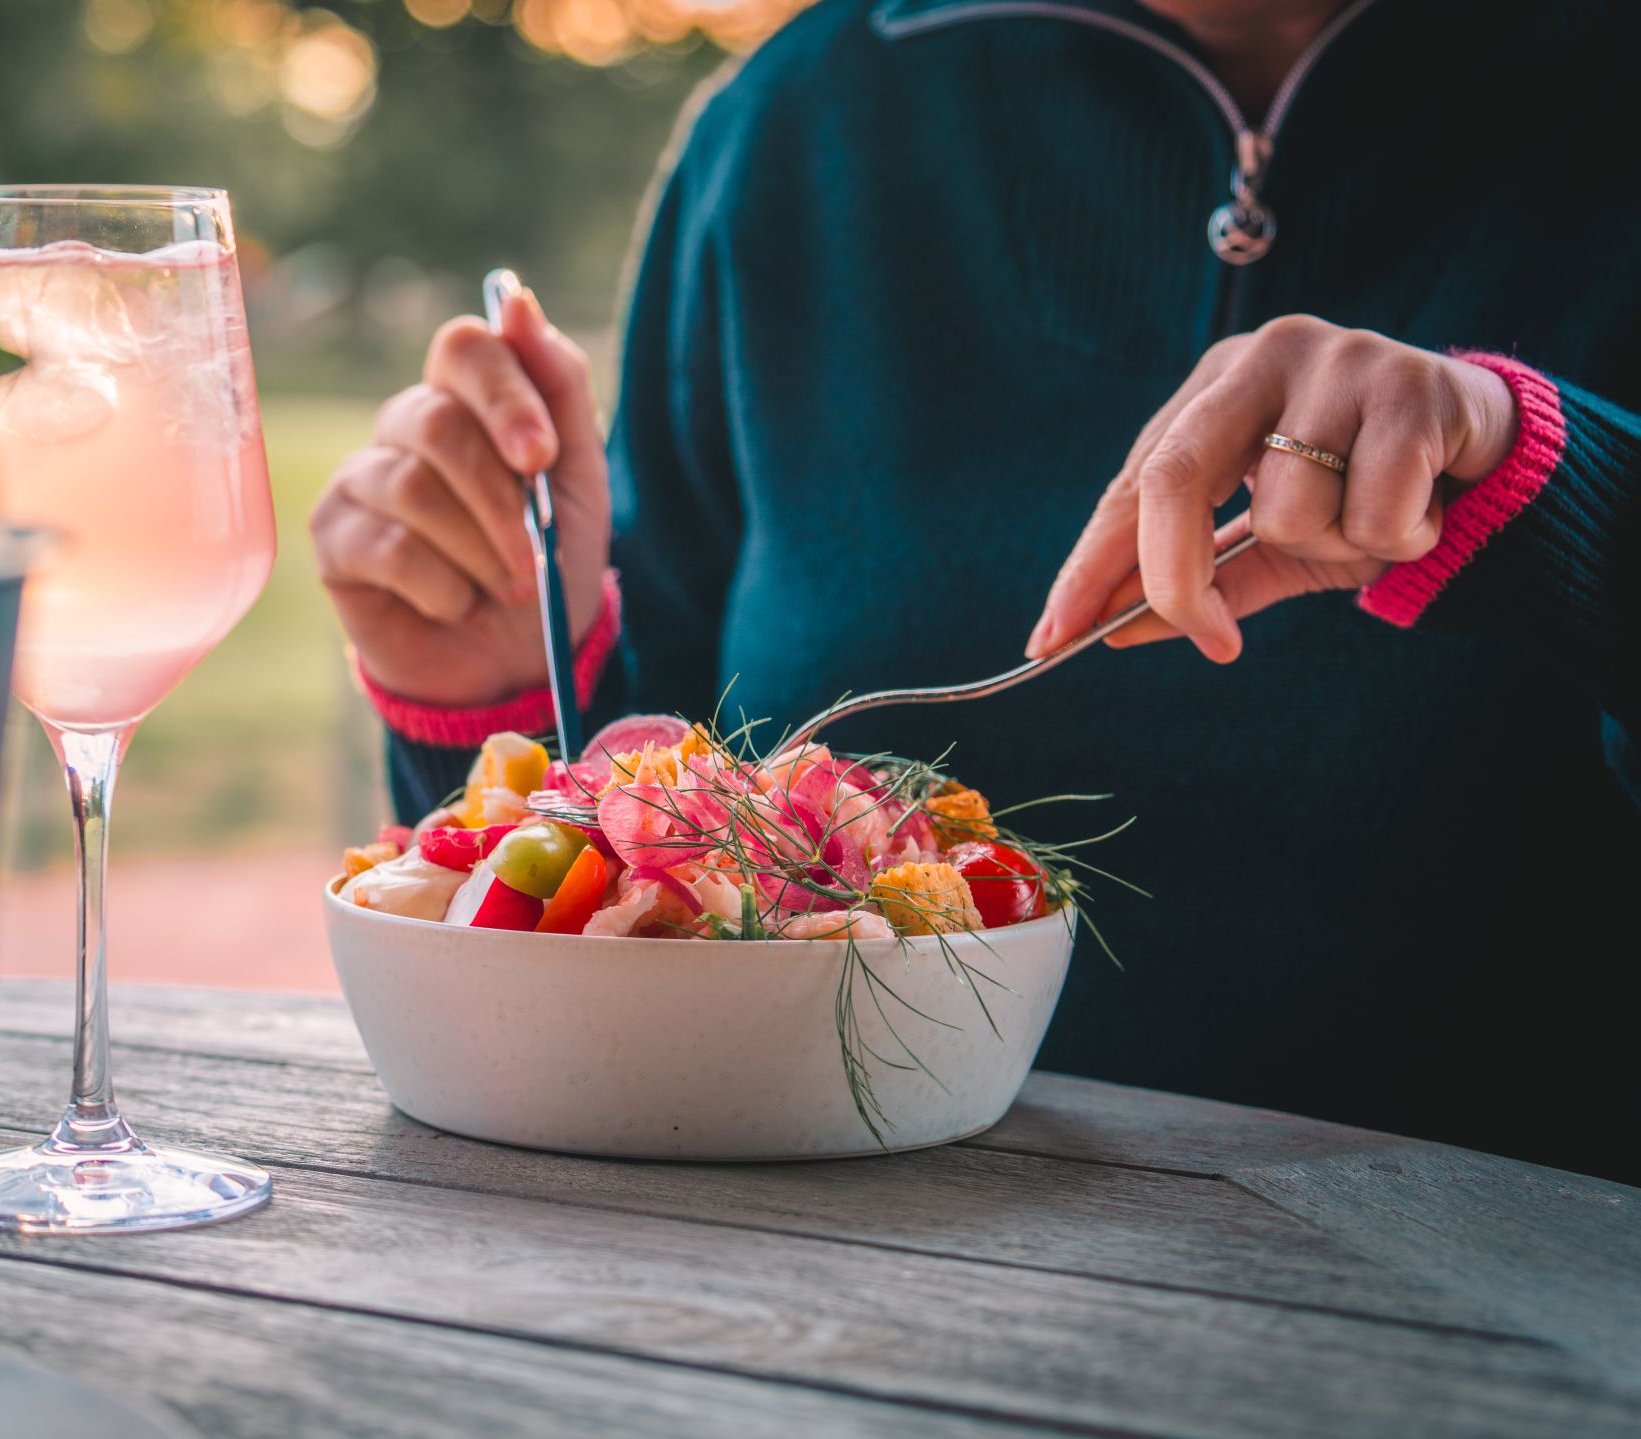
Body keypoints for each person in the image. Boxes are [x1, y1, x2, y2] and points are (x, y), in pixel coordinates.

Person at [310, 0, 1638, 1181]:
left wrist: (1555, 486)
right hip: (799, 1293)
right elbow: (600, 859)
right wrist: (489, 678)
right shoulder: (799, 122)